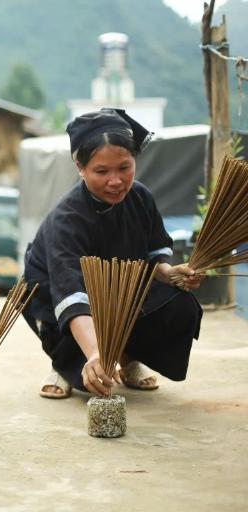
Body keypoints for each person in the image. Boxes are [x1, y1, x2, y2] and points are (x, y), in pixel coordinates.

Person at [23, 108, 204, 399]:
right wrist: (95, 353)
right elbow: (69, 295)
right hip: (59, 294)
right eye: (101, 171)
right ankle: (65, 363)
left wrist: (168, 273)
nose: (116, 181)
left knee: (179, 304)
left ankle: (128, 355)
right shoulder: (66, 218)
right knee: (84, 363)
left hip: (119, 291)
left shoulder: (141, 197)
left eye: (124, 167)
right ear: (80, 167)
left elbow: (154, 254)